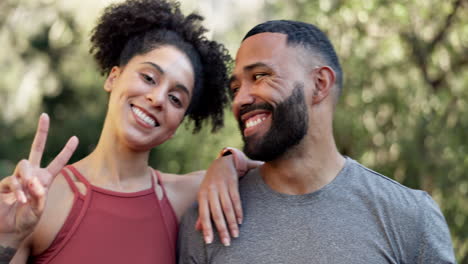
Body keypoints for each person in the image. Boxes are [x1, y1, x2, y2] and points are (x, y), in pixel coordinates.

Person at [0, 0, 259, 263]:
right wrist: (7, 238)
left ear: (176, 125)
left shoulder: (188, 196)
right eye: (148, 78)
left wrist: (230, 161)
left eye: (175, 99)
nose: (158, 98)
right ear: (113, 77)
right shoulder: (40, 201)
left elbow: (284, 172)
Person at [178, 20, 456, 263]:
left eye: (260, 76)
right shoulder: (207, 221)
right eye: (236, 87)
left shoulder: (409, 216)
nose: (240, 99)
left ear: (320, 83)